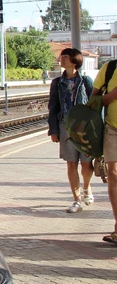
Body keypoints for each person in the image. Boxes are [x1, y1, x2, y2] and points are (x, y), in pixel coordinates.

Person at [48, 48, 96, 213]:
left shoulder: (86, 81)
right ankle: (76, 201)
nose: (62, 59)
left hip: (84, 127)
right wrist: (53, 130)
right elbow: (53, 107)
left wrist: (97, 128)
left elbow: (95, 105)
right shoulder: (57, 83)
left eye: (66, 57)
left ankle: (87, 188)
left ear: (75, 60)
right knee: (71, 164)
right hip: (65, 126)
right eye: (62, 57)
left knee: (86, 164)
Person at [92, 59, 117, 244]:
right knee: (113, 176)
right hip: (112, 129)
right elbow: (93, 100)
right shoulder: (110, 68)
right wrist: (112, 96)